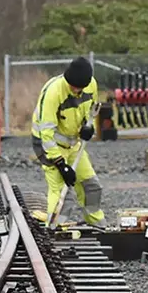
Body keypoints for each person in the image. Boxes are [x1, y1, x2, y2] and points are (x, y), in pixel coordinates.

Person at [33, 57, 107, 228]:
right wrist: (60, 164)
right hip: (47, 144)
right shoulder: (53, 92)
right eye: (72, 86)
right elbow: (46, 133)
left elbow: (91, 111)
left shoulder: (91, 85)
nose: (75, 90)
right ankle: (54, 229)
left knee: (91, 186)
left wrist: (88, 126)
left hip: (74, 144)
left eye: (79, 87)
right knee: (61, 193)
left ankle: (96, 224)